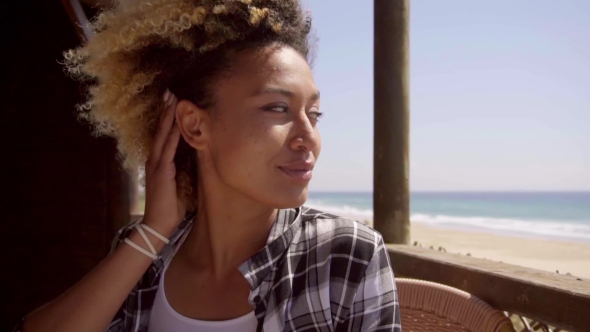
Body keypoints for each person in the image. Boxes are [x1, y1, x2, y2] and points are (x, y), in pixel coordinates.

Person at [17, 0, 401, 331]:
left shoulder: (346, 255)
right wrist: (152, 232)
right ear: (194, 125)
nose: (309, 137)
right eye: (277, 108)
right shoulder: (144, 254)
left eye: (314, 114)